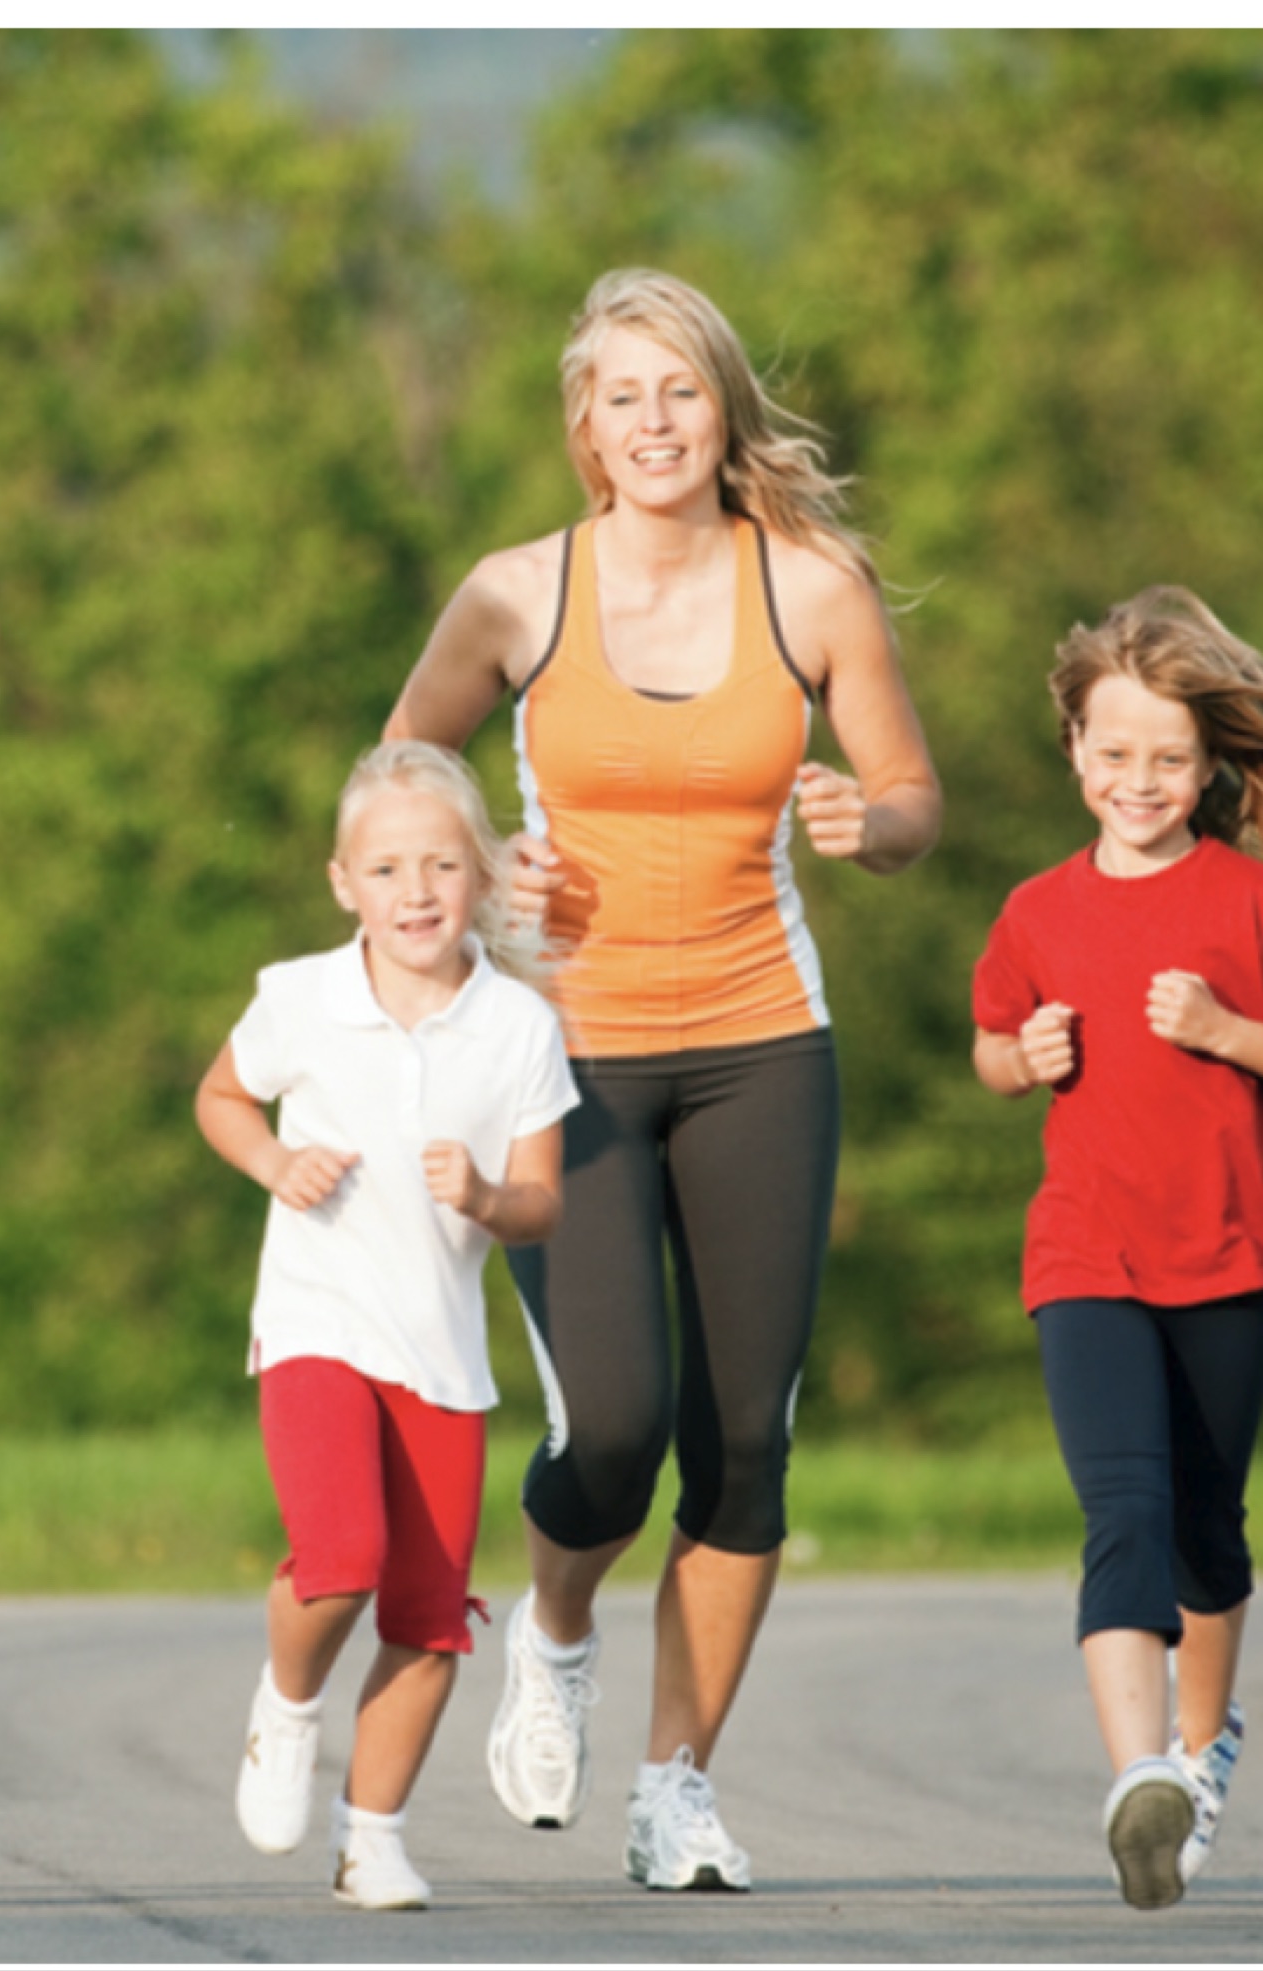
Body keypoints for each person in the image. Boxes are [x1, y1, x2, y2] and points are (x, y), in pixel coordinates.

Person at [384, 267, 943, 1893]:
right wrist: (489, 885)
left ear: (723, 412)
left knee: (745, 1440)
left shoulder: (813, 590)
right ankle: (554, 1627)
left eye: (681, 393)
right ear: (584, 425)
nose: (652, 424)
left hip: (766, 1042)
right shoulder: (514, 597)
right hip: (562, 1060)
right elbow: (396, 795)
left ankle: (677, 1782)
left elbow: (910, 793)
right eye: (621, 396)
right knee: (614, 1427)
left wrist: (869, 823)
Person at [967, 585, 1263, 1911]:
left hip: (1225, 1257)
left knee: (1208, 1530)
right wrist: (1017, 1059)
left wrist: (1224, 1031)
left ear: (1205, 768)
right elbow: (989, 1041)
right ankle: (1138, 1774)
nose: (1137, 777)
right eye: (1114, 751)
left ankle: (1202, 1748)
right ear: (1075, 753)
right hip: (1083, 1257)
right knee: (1126, 1517)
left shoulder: (1252, 905)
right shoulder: (1035, 909)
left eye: (1165, 756)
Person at [195, 740, 577, 1911]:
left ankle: (374, 1838)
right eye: (388, 869)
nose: (418, 892)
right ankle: (287, 1705)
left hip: (442, 1356)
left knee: (427, 1614)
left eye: (444, 866)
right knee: (341, 1557)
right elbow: (220, 1096)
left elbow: (543, 1204)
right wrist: (272, 1159)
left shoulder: (519, 1025)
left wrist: (485, 1197)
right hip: (315, 1322)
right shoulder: (298, 997)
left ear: (487, 878)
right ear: (342, 882)